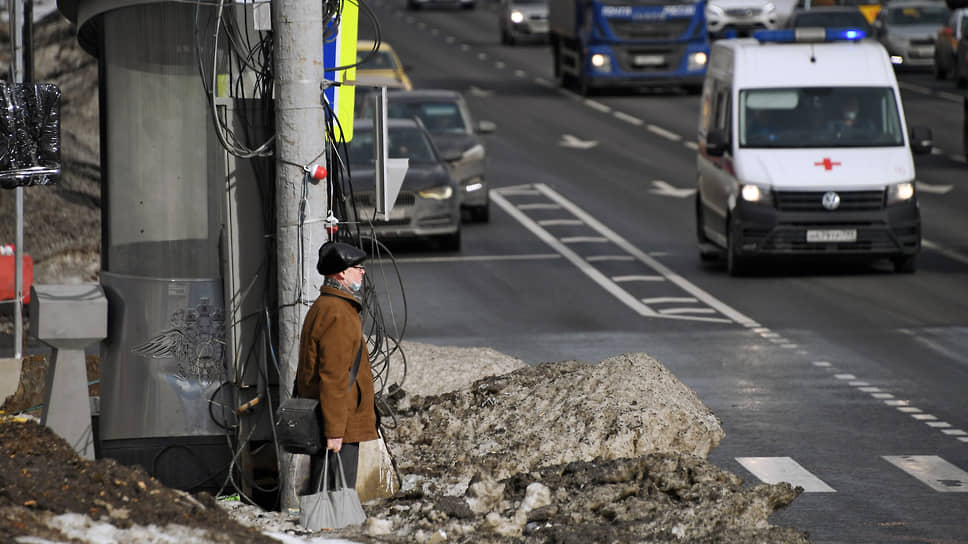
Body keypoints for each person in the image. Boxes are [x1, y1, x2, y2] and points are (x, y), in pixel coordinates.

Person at [296, 241, 378, 494]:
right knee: (337, 495)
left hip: (331, 419)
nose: (362, 272)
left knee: (328, 490)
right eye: (358, 268)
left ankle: (325, 530)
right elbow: (334, 376)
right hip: (340, 424)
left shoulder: (326, 306)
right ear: (342, 273)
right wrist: (334, 431)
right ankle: (331, 532)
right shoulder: (338, 313)